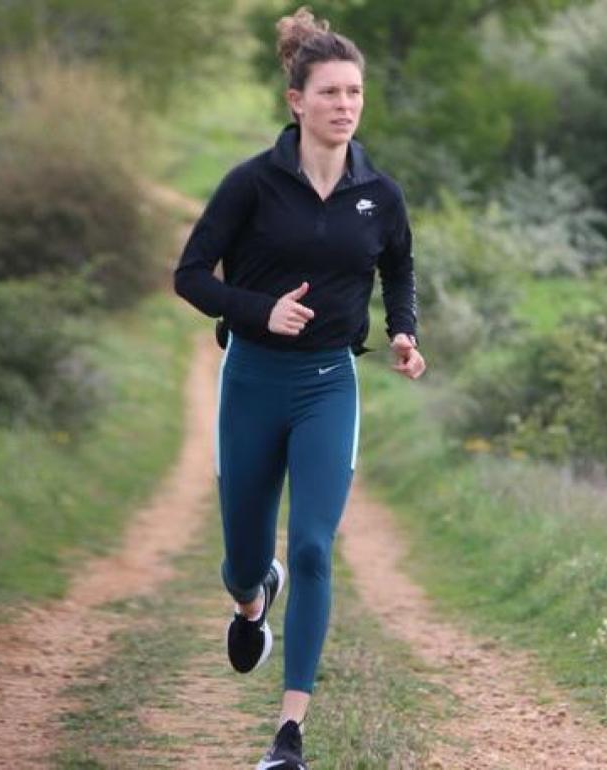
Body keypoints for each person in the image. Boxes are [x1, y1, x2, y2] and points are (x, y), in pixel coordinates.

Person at [173, 7, 426, 768]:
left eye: (354, 93)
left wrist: (405, 329)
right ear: (296, 101)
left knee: (315, 546)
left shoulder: (378, 193)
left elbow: (398, 267)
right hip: (251, 381)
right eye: (329, 93)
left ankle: (289, 735)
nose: (344, 105)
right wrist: (257, 310)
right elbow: (189, 276)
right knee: (244, 560)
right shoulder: (251, 185)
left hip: (327, 387)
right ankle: (254, 598)